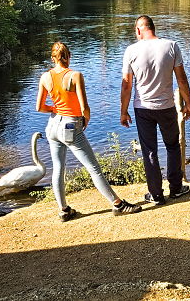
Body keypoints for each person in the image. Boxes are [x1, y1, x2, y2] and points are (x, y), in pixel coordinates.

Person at [36, 41, 141, 220]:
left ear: (52, 58)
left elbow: (39, 107)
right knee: (94, 169)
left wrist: (54, 109)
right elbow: (84, 107)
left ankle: (63, 210)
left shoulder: (45, 77)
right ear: (68, 56)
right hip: (70, 126)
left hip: (52, 126)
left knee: (58, 169)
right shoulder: (75, 75)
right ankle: (118, 204)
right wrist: (85, 120)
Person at [120, 15, 190, 204]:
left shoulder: (131, 51)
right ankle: (176, 188)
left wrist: (123, 111)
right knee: (172, 146)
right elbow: (182, 79)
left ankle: (156, 194)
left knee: (149, 151)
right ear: (153, 27)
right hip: (167, 106)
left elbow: (126, 85)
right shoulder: (171, 45)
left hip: (142, 108)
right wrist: (188, 103)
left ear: (138, 30)